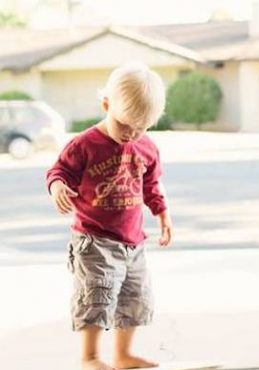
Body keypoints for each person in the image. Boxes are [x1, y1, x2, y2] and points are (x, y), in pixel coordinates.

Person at [46, 62, 172, 370]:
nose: (131, 135)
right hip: (95, 239)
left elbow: (152, 185)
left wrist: (163, 214)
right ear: (106, 105)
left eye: (140, 128)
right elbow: (58, 171)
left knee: (134, 298)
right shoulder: (85, 145)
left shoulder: (147, 147)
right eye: (125, 125)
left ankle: (123, 354)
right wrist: (58, 187)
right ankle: (89, 356)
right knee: (96, 296)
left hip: (133, 241)